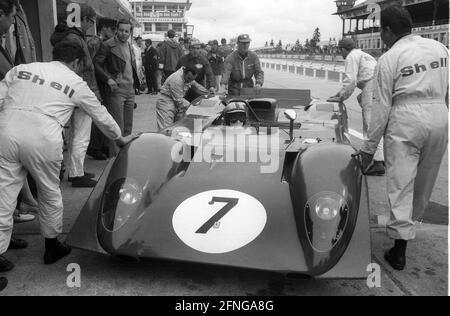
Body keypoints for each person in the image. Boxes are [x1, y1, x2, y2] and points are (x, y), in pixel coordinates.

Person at [0, 41, 137, 273]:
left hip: (7, 131)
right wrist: (119, 138)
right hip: (43, 136)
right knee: (49, 192)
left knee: (3, 193)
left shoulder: (21, 70)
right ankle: (52, 247)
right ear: (76, 62)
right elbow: (99, 114)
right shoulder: (75, 82)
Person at [360, 5, 448, 271]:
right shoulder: (439, 49)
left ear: (386, 30)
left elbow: (381, 108)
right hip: (439, 115)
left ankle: (399, 250)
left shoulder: (390, 57)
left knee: (401, 183)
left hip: (406, 119)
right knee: (424, 181)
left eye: (381, 31)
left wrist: (368, 147)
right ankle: (411, 227)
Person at [50, 4, 101, 188]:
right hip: (79, 91)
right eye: (91, 22)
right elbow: (82, 67)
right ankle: (77, 174)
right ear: (86, 19)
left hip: (68, 90)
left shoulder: (66, 36)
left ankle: (75, 170)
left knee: (73, 135)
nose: (90, 26)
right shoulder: (76, 38)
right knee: (81, 135)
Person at [328, 38, 385, 176]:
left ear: (343, 49)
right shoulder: (363, 54)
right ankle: (380, 159)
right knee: (376, 124)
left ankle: (376, 162)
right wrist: (340, 94)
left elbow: (351, 81)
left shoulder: (351, 57)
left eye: (339, 50)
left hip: (372, 87)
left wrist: (341, 97)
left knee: (370, 125)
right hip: (380, 86)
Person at [94, 19, 140, 156]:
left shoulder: (130, 46)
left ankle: (125, 155)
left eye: (127, 31)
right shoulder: (107, 45)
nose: (123, 33)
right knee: (116, 127)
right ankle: (115, 159)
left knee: (127, 127)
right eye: (121, 30)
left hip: (130, 90)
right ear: (116, 30)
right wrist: (108, 78)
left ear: (130, 32)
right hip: (116, 91)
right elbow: (96, 64)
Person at [86, 19, 117, 161]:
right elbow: (92, 65)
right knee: (99, 116)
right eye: (112, 29)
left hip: (98, 83)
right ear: (104, 28)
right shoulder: (97, 42)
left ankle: (100, 145)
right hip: (97, 84)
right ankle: (95, 147)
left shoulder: (96, 41)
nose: (114, 33)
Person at [156, 66, 209, 130]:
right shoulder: (176, 80)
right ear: (185, 73)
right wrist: (193, 107)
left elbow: (196, 86)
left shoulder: (188, 77)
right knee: (166, 129)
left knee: (177, 129)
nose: (190, 81)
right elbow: (179, 100)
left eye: (192, 79)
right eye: (189, 78)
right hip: (166, 102)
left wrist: (208, 92)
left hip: (175, 101)